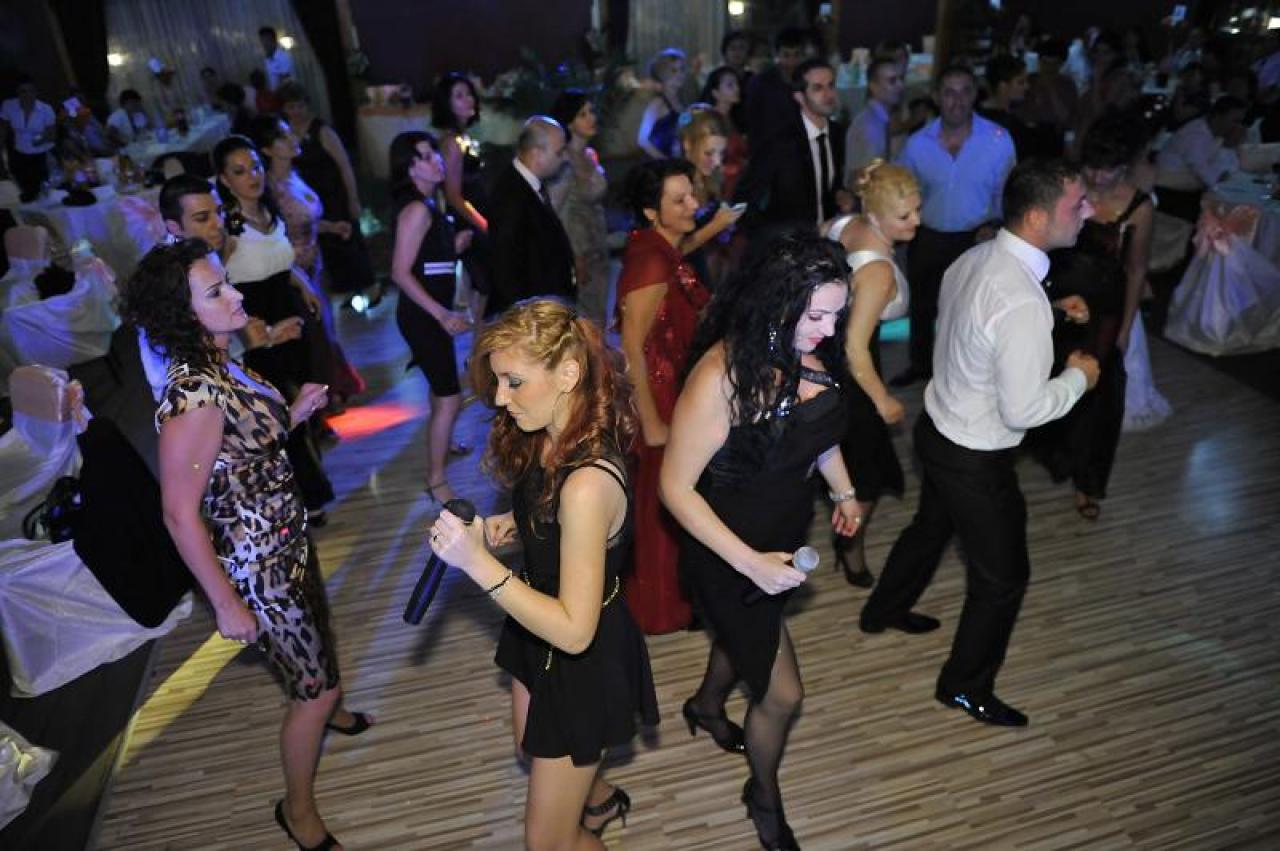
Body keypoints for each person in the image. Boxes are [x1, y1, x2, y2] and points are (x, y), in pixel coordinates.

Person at [120, 240, 368, 851]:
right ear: (184, 314)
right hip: (261, 569)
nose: (235, 294)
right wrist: (227, 604)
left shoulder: (221, 358)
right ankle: (298, 809)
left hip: (288, 538)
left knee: (319, 647)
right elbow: (179, 513)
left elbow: (241, 446)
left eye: (226, 282)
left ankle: (327, 700)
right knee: (313, 691)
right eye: (216, 292)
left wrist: (294, 413)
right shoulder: (194, 395)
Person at [859, 160, 1102, 728]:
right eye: (1077, 204)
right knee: (1003, 580)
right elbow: (1024, 409)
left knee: (929, 529)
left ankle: (883, 610)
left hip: (938, 427)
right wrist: (1079, 378)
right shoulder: (1018, 300)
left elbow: (978, 325)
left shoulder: (976, 257)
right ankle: (964, 686)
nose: (1088, 212)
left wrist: (1048, 311)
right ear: (1037, 218)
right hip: (975, 455)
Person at [428, 298, 658, 849]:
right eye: (497, 382)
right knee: (531, 750)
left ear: (568, 375)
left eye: (513, 382)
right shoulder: (549, 433)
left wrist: (477, 564)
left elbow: (576, 632)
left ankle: (585, 803)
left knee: (547, 843)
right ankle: (596, 797)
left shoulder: (588, 483)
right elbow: (550, 519)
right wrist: (505, 529)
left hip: (580, 655)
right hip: (534, 623)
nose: (499, 399)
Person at [660, 232, 861, 851]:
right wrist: (751, 565)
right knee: (782, 693)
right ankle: (763, 797)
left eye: (837, 315)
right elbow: (674, 488)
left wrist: (844, 492)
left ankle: (705, 706)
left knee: (747, 638)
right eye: (817, 315)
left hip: (781, 539)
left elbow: (818, 435)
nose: (828, 330)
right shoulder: (721, 374)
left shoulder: (809, 351)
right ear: (777, 301)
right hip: (727, 550)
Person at [1029, 118, 1155, 520]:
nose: (1098, 177)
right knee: (1047, 377)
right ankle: (1056, 454)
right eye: (1092, 168)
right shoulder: (1070, 191)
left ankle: (1088, 483)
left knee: (1100, 397)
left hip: (1104, 310)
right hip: (1058, 301)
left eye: (1108, 169)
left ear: (1125, 166)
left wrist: (1127, 326)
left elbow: (1136, 269)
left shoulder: (1139, 207)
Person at [213, 134, 335, 520]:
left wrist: (304, 284)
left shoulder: (270, 210)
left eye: (255, 167)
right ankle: (307, 499)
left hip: (290, 312)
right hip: (258, 325)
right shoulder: (226, 227)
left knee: (304, 404)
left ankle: (308, 489)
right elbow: (217, 282)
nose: (252, 176)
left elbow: (281, 259)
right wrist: (253, 332)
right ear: (224, 179)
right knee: (281, 410)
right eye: (239, 171)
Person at [616, 159, 710, 635]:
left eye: (691, 194)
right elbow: (630, 345)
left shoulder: (659, 247)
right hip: (657, 391)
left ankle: (678, 596)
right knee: (661, 501)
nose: (693, 204)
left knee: (671, 496)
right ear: (652, 211)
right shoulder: (651, 260)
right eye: (680, 200)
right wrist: (651, 422)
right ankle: (660, 607)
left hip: (672, 384)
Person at [824, 161, 920, 587]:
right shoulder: (878, 272)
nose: (916, 221)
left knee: (848, 462)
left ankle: (846, 535)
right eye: (905, 215)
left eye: (917, 210)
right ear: (877, 217)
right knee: (867, 476)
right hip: (856, 378)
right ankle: (850, 548)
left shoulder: (842, 224)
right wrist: (883, 400)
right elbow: (854, 348)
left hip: (824, 361)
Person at [892, 65, 1016, 388]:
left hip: (977, 237)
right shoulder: (917, 144)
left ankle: (963, 375)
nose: (957, 100)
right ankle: (921, 366)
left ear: (975, 95)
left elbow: (1007, 192)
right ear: (936, 97)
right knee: (922, 308)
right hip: (928, 235)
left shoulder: (998, 141)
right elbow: (901, 190)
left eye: (964, 91)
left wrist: (997, 225)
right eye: (949, 92)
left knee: (969, 312)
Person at [248, 115, 364, 408]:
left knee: (327, 332)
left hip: (316, 265)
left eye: (291, 134)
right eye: (283, 137)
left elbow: (304, 220)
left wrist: (331, 227)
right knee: (317, 336)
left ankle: (332, 391)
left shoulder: (295, 176)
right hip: (295, 274)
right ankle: (322, 399)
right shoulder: (269, 189)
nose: (293, 140)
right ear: (268, 149)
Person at [387, 131, 471, 505]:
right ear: (409, 169)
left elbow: (427, 262)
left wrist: (453, 245)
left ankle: (444, 445)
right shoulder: (417, 210)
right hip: (422, 317)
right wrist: (442, 315)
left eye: (434, 152)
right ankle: (436, 479)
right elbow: (399, 272)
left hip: (430, 315)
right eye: (424, 156)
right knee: (450, 397)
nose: (436, 159)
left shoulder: (428, 205)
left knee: (442, 391)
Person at [735, 57, 845, 234]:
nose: (828, 94)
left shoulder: (837, 134)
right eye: (818, 88)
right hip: (790, 241)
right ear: (799, 97)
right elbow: (744, 199)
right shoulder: (779, 142)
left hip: (829, 238)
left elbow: (830, 187)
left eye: (831, 85)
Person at [487, 116, 574, 315]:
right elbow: (504, 267)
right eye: (559, 152)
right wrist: (524, 320)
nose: (565, 158)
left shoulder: (529, 186)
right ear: (537, 154)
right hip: (530, 316)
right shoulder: (511, 195)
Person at [432, 72, 493, 322]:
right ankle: (480, 345)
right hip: (468, 222)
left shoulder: (462, 138)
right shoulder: (452, 144)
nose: (469, 99)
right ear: (446, 104)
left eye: (469, 93)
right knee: (484, 292)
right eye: (459, 96)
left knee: (483, 295)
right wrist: (483, 224)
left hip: (475, 216)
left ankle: (482, 343)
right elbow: (453, 195)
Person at [548, 90, 610, 325]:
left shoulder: (590, 155)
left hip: (597, 243)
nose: (591, 118)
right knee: (581, 319)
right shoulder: (563, 161)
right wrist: (574, 256)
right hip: (578, 248)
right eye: (582, 114)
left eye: (591, 112)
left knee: (598, 315)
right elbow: (557, 210)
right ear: (569, 122)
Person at [676, 105, 744, 287]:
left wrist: (725, 228)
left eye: (721, 153)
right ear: (687, 144)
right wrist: (716, 226)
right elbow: (674, 250)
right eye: (709, 153)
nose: (717, 161)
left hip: (706, 279)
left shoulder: (711, 180)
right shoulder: (673, 186)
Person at [1154, 95, 1247, 223]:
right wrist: (1228, 147)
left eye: (1240, 122)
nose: (1238, 127)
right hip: (1171, 198)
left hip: (1189, 193)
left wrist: (1230, 148)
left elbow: (1230, 172)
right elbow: (1213, 181)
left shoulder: (1214, 134)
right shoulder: (1195, 136)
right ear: (1218, 116)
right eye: (1235, 121)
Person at [743, 27, 810, 143]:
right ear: (777, 54)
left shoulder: (810, 81)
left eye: (797, 55)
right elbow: (753, 122)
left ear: (803, 55)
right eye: (786, 55)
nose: (791, 61)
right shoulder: (760, 83)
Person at [845, 58, 906, 181]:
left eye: (901, 79)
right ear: (874, 87)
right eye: (892, 81)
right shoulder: (870, 126)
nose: (900, 86)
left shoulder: (878, 119)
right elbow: (868, 178)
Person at [0, 76, 57, 202]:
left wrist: (37, 140)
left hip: (41, 153)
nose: (27, 94)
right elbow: (3, 128)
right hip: (19, 152)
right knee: (24, 188)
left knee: (44, 188)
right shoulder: (8, 106)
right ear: (18, 93)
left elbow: (52, 135)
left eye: (30, 91)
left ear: (36, 92)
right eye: (23, 91)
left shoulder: (46, 109)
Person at [699, 66, 749, 200]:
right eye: (730, 85)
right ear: (715, 93)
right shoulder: (708, 121)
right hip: (719, 188)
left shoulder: (734, 119)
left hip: (736, 186)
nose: (737, 89)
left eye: (737, 84)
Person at [637, 48, 688, 159]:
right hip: (658, 164)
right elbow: (642, 140)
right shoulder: (658, 103)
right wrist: (664, 161)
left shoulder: (681, 102)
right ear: (662, 74)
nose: (679, 74)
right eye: (673, 70)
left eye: (682, 69)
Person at [260, 26, 295, 92]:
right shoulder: (267, 59)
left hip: (287, 94)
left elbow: (286, 82)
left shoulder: (283, 57)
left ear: (274, 40)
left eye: (267, 40)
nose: (265, 44)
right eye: (262, 41)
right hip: (276, 95)